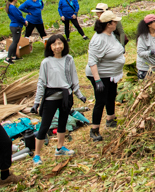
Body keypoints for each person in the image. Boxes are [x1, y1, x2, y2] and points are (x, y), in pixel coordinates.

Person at [31, 34, 87, 164]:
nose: (57, 46)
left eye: (60, 43)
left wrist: (79, 94)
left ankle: (60, 147)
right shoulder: (46, 62)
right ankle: (37, 155)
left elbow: (74, 78)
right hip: (51, 97)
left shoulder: (69, 59)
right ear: (50, 47)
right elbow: (41, 83)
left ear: (64, 45)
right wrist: (36, 102)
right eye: (54, 44)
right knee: (44, 126)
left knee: (63, 123)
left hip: (65, 96)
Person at [85, 11, 125, 141]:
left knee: (111, 95)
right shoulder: (98, 40)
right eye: (114, 22)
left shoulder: (110, 34)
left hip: (111, 74)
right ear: (109, 24)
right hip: (100, 75)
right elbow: (92, 61)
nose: (117, 23)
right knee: (100, 100)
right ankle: (94, 129)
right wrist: (98, 81)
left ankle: (110, 119)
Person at [4, 0, 25, 65]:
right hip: (16, 26)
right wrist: (24, 21)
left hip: (15, 26)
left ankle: (14, 56)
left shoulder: (11, 7)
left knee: (16, 41)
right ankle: (8, 58)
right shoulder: (12, 8)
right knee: (15, 42)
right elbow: (18, 17)